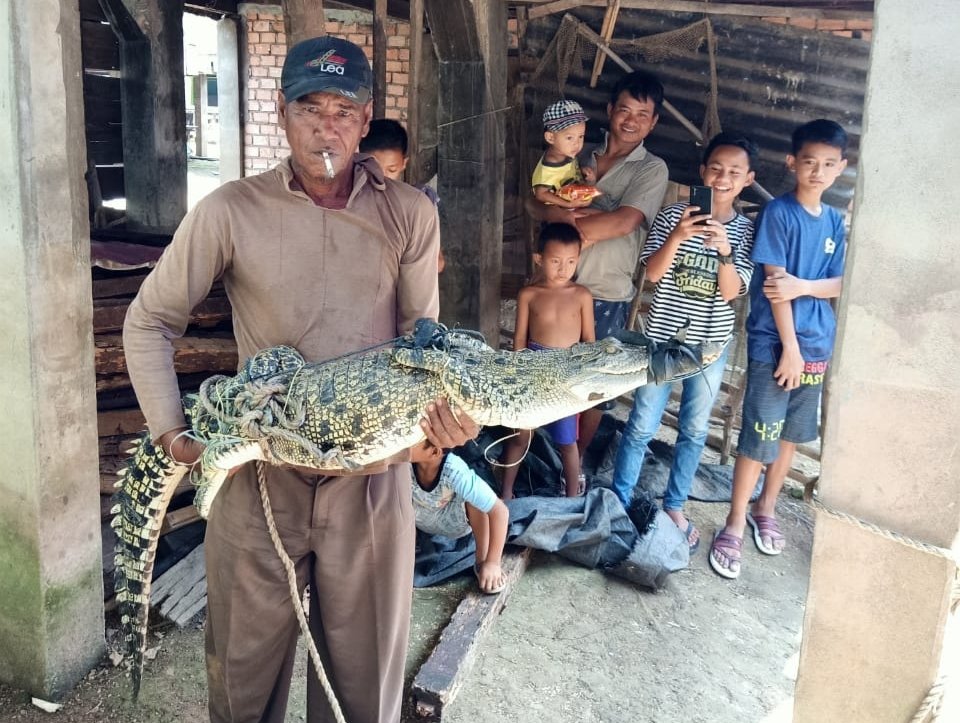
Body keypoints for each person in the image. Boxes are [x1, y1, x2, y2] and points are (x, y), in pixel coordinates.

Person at [123, 36, 477, 723]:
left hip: (371, 481)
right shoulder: (231, 211)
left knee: (362, 692)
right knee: (241, 683)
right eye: (309, 107)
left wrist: (435, 443)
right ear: (282, 115)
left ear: (367, 116)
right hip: (261, 477)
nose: (327, 125)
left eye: (344, 109)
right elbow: (149, 320)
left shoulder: (410, 213)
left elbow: (422, 351)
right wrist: (172, 431)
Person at [709, 119, 848, 580]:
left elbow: (840, 283)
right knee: (759, 434)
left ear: (841, 169)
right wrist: (789, 347)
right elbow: (773, 287)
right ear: (792, 163)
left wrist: (804, 285)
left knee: (791, 434)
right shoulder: (779, 214)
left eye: (829, 164)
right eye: (809, 161)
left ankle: (764, 508)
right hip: (778, 344)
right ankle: (732, 522)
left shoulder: (833, 221)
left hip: (818, 344)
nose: (818, 171)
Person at [610, 132, 759, 552]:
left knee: (694, 430)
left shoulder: (747, 232)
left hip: (709, 347)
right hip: (661, 341)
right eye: (715, 169)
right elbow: (653, 274)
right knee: (641, 424)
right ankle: (621, 499)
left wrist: (726, 251)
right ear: (701, 173)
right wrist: (678, 236)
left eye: (733, 172)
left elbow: (733, 292)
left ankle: (675, 505)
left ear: (748, 179)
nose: (722, 178)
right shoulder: (674, 214)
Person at [526, 70, 670, 469]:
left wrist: (565, 226)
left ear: (653, 122)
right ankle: (540, 456)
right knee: (545, 372)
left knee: (593, 384)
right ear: (609, 110)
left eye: (642, 114)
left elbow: (624, 222)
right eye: (624, 109)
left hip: (605, 291)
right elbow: (534, 202)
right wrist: (566, 213)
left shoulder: (651, 169)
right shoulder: (576, 152)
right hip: (554, 286)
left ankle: (574, 461)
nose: (631, 120)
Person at [500, 222, 595, 500]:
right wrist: (517, 375)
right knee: (520, 436)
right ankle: (506, 493)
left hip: (566, 376)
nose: (563, 269)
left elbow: (589, 340)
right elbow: (519, 339)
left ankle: (571, 500)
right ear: (539, 259)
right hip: (532, 370)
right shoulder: (529, 294)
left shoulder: (581, 295)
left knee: (567, 441)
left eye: (570, 261)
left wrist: (584, 376)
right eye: (555, 261)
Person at [410, 441, 509, 594]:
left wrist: (493, 562)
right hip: (420, 519)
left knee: (476, 500)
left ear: (435, 452)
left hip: (454, 522)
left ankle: (481, 560)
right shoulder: (404, 465)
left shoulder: (454, 469)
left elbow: (500, 511)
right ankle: (409, 552)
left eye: (413, 442)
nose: (405, 445)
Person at [359, 117, 443, 269]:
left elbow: (437, 263)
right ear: (359, 161)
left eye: (391, 170)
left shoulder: (418, 202)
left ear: (403, 164)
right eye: (373, 168)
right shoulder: (350, 199)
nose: (382, 177)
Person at [531, 99, 597, 208]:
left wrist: (587, 177)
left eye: (581, 136)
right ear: (550, 138)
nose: (576, 143)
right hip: (555, 212)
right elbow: (541, 194)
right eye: (569, 138)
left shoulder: (567, 152)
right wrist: (567, 204)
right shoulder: (551, 165)